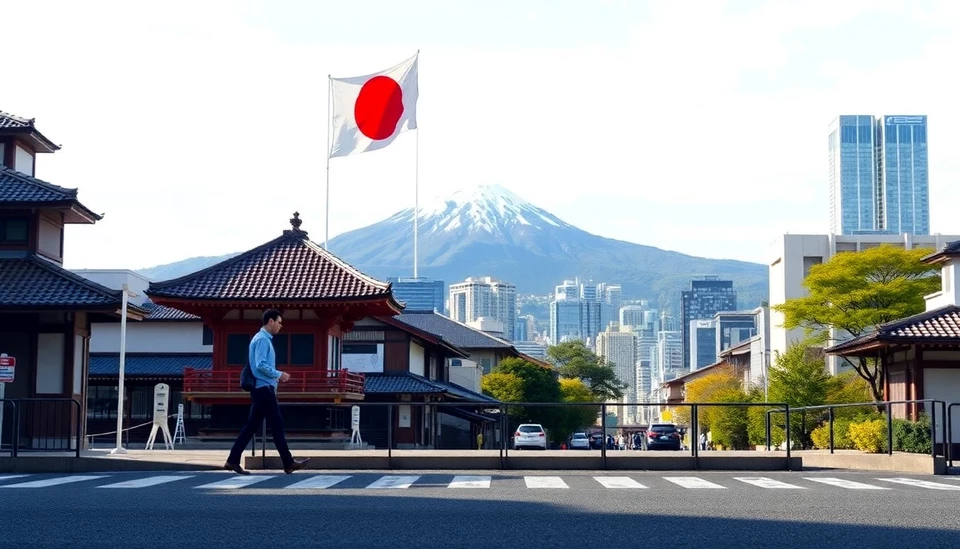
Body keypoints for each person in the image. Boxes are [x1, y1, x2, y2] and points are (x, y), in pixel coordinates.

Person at [224, 309, 309, 475]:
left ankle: (232, 460)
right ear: (270, 321)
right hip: (263, 388)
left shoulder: (261, 338)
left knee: (252, 426)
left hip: (261, 388)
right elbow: (260, 365)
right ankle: (288, 462)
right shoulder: (262, 340)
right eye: (279, 322)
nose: (280, 326)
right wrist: (279, 374)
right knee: (276, 424)